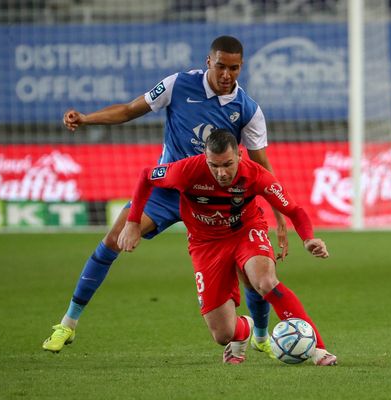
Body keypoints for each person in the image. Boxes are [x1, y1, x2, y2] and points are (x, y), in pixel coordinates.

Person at [43, 35, 288, 357]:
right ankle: (67, 325)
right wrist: (87, 119)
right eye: (220, 66)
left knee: (250, 270)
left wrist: (280, 218)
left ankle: (259, 336)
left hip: (220, 198)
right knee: (113, 239)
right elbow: (131, 110)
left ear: (241, 67)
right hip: (171, 189)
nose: (227, 74)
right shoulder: (178, 85)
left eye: (234, 68)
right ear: (208, 62)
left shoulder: (248, 109)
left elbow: (262, 166)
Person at [117, 129, 337, 365]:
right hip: (205, 244)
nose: (221, 173)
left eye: (228, 164)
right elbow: (146, 176)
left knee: (265, 281)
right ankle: (244, 330)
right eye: (214, 165)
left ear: (240, 156)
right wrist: (132, 222)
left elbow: (294, 210)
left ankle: (318, 350)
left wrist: (308, 238)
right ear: (205, 157)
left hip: (245, 231)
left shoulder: (255, 175)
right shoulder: (186, 170)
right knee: (222, 335)